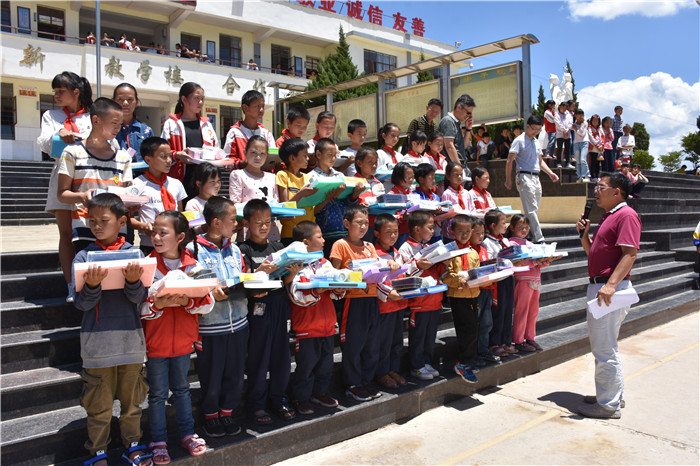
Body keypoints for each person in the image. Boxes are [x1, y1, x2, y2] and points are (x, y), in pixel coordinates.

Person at [72, 193, 150, 466]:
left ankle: (133, 444)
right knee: (99, 406)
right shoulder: (83, 256)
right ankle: (98, 452)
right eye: (92, 220)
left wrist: (133, 281)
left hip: (130, 344)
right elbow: (81, 304)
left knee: (132, 404)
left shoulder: (135, 255)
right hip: (98, 347)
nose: (96, 226)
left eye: (103, 220)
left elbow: (140, 298)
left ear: (122, 222)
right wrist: (92, 285)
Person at [140, 211, 213, 462]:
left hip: (183, 342)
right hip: (156, 343)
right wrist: (157, 305)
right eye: (154, 232)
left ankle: (188, 434)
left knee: (182, 390)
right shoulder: (146, 265)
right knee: (157, 394)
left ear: (180, 237)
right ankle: (158, 440)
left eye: (163, 233)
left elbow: (208, 303)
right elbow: (137, 306)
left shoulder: (194, 266)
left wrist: (186, 302)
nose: (156, 237)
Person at [576, 172, 641, 419]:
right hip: (602, 287)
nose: (596, 191)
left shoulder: (626, 215)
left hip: (608, 290)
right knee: (606, 346)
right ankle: (612, 395)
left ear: (616, 192)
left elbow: (630, 253)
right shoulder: (609, 216)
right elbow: (593, 253)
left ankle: (608, 405)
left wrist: (611, 285)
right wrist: (584, 235)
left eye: (600, 187)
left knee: (604, 349)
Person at [186, 197, 247, 438]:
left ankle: (227, 412)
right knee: (212, 374)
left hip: (239, 323)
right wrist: (211, 293)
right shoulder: (193, 249)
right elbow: (190, 284)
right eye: (233, 219)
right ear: (216, 222)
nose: (236, 224)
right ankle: (211, 416)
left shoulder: (236, 249)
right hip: (210, 326)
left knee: (235, 372)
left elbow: (243, 277)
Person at [238, 200, 297, 424]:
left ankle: (279, 399)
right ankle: (256, 404)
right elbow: (244, 280)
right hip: (258, 307)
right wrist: (259, 273)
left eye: (268, 222)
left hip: (279, 304)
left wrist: (292, 273)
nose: (264, 227)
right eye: (258, 222)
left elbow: (285, 281)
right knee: (259, 357)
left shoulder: (278, 247)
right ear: (246, 223)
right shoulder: (243, 249)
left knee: (282, 356)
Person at [330, 204, 394, 402]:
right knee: (353, 345)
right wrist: (351, 275)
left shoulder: (369, 246)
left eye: (366, 223)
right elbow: (333, 274)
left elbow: (378, 267)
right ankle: (353, 384)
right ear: (346, 223)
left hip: (372, 299)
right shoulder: (340, 245)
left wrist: (388, 265)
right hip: (352, 301)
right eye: (359, 223)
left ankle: (366, 381)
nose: (363, 227)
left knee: (371, 344)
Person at [38, 71, 93, 300]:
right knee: (66, 233)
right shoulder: (51, 115)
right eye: (56, 91)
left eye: (61, 91)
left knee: (91, 230)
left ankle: (91, 282)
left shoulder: (91, 116)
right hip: (63, 175)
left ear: (76, 92)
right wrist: (59, 134)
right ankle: (71, 284)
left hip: (88, 176)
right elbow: (44, 144)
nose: (57, 95)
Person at [57, 98, 133, 253]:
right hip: (85, 227)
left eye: (120, 124)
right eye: (114, 123)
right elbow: (62, 194)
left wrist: (133, 202)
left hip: (116, 231)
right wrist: (82, 197)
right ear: (96, 120)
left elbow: (128, 193)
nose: (118, 128)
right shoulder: (72, 152)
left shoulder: (123, 157)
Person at [287, 221, 344, 415]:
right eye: (319, 237)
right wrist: (317, 291)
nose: (323, 240)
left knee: (325, 365)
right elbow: (296, 296)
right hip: (307, 327)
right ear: (305, 242)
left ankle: (321, 393)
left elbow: (335, 293)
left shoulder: (324, 262)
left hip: (327, 325)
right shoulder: (295, 265)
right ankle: (301, 398)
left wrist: (339, 288)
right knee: (306, 367)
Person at [398, 211, 445, 381]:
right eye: (430, 228)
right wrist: (418, 265)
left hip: (434, 299)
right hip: (419, 301)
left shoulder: (429, 246)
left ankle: (426, 362)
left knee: (430, 336)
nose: (433, 231)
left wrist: (444, 262)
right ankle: (416, 366)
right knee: (418, 336)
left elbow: (437, 270)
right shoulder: (406, 248)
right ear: (417, 229)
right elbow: (403, 273)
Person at [504, 115, 560, 244]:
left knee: (533, 210)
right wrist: (508, 179)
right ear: (527, 126)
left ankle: (528, 234)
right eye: (534, 129)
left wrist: (550, 173)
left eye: (539, 130)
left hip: (536, 177)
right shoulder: (519, 140)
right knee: (531, 209)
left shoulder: (536, 142)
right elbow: (510, 160)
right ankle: (539, 238)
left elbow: (540, 161)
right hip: (524, 176)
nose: (536, 132)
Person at [128, 137, 187, 256]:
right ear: (148, 159)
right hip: (150, 244)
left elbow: (179, 215)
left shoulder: (176, 184)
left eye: (169, 156)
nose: (169, 160)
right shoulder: (137, 185)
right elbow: (128, 219)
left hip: (173, 246)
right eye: (163, 156)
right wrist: (144, 226)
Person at [442, 214, 481, 383]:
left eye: (467, 231)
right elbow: (445, 275)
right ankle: (463, 363)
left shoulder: (473, 252)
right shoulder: (448, 252)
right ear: (451, 231)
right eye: (460, 231)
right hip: (458, 296)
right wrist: (460, 280)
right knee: (466, 330)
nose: (464, 235)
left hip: (473, 294)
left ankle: (469, 360)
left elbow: (476, 272)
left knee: (473, 329)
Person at [373, 214, 409, 389]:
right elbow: (376, 280)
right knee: (384, 342)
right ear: (377, 233)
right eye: (388, 232)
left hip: (400, 302)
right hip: (385, 304)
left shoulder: (397, 252)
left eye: (395, 231)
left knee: (397, 341)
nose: (393, 235)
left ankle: (393, 369)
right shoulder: (374, 253)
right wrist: (389, 293)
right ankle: (382, 372)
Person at [313, 138, 364, 256]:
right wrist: (333, 197)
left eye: (335, 155)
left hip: (344, 231)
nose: (333, 158)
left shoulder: (340, 176)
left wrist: (354, 196)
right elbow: (314, 209)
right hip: (325, 232)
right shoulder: (312, 178)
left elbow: (347, 203)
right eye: (329, 155)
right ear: (318, 154)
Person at [161, 82, 218, 187]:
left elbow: (215, 149)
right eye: (196, 98)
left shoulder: (207, 125)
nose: (200, 102)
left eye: (202, 98)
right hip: (179, 180)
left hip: (204, 182)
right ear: (184, 99)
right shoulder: (171, 124)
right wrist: (177, 155)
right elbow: (163, 153)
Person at [507, 214, 550, 352]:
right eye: (520, 227)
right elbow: (518, 263)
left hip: (536, 280)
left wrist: (546, 261)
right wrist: (536, 262)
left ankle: (530, 337)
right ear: (512, 227)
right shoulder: (511, 244)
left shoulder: (530, 244)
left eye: (526, 227)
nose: (524, 230)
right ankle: (518, 341)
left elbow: (537, 264)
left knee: (533, 312)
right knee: (522, 311)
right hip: (523, 280)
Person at [229, 136, 281, 241]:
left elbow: (276, 203)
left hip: (271, 233)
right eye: (253, 152)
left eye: (262, 154)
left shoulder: (272, 177)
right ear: (245, 152)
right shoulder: (237, 175)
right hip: (248, 232)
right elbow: (235, 204)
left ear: (267, 155)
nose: (258, 157)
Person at [468, 218, 501, 366]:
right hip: (475, 291)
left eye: (483, 233)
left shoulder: (483, 249)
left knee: (486, 322)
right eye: (477, 233)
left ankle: (483, 350)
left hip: (487, 288)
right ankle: (473, 353)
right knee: (475, 323)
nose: (481, 236)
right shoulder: (468, 250)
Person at [276, 138, 318, 245]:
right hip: (290, 233)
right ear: (292, 158)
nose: (308, 158)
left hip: (310, 233)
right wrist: (301, 194)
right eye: (304, 155)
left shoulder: (308, 177)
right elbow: (285, 207)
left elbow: (314, 208)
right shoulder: (282, 175)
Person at [223, 89, 276, 169]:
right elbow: (227, 161)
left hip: (263, 175)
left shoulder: (266, 134)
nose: (261, 110)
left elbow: (273, 156)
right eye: (257, 106)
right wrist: (241, 163)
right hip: (242, 176)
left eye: (262, 106)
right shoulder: (234, 133)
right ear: (245, 108)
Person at [113, 83, 155, 164]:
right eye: (120, 99)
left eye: (130, 99)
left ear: (136, 102)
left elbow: (153, 158)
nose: (125, 103)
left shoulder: (146, 131)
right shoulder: (107, 130)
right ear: (113, 102)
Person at [439, 94, 475, 173]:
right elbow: (449, 147)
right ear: (459, 107)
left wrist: (468, 129)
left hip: (461, 166)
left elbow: (463, 146)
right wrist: (459, 170)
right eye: (468, 113)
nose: (469, 116)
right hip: (454, 168)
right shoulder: (448, 121)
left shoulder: (456, 123)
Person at [442, 161, 476, 240]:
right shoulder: (447, 194)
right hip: (452, 233)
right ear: (448, 176)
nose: (459, 177)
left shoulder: (466, 193)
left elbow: (472, 209)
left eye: (461, 174)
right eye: (456, 175)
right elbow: (445, 214)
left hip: (466, 232)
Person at [413, 163, 443, 243]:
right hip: (422, 236)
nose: (434, 181)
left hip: (437, 232)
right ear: (421, 179)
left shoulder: (436, 197)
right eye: (431, 178)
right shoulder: (414, 196)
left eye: (434, 178)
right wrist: (431, 213)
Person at [387, 162, 415, 247]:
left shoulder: (411, 193)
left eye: (412, 177)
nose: (411, 180)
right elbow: (388, 217)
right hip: (398, 233)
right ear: (398, 177)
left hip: (411, 230)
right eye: (408, 177)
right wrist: (402, 218)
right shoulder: (391, 195)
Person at [572, 109, 591, 182]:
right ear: (575, 115)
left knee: (583, 159)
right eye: (579, 115)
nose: (581, 116)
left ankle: (586, 175)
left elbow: (582, 133)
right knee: (578, 161)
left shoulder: (585, 123)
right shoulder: (574, 123)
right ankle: (579, 176)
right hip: (576, 143)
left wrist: (575, 129)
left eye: (582, 115)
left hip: (584, 142)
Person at [554, 101, 573, 169]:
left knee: (568, 149)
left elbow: (570, 123)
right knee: (559, 148)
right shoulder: (557, 115)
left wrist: (567, 130)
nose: (564, 109)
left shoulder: (568, 114)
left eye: (565, 108)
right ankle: (558, 163)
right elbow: (558, 124)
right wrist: (564, 130)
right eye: (563, 107)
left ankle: (568, 163)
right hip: (560, 134)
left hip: (567, 134)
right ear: (559, 107)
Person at [588, 114, 604, 182]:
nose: (595, 122)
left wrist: (602, 145)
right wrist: (597, 145)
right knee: (593, 162)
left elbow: (602, 136)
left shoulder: (600, 128)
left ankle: (597, 176)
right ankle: (593, 176)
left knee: (598, 163)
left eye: (596, 120)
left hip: (600, 148)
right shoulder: (590, 128)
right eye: (594, 120)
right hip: (593, 147)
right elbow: (590, 137)